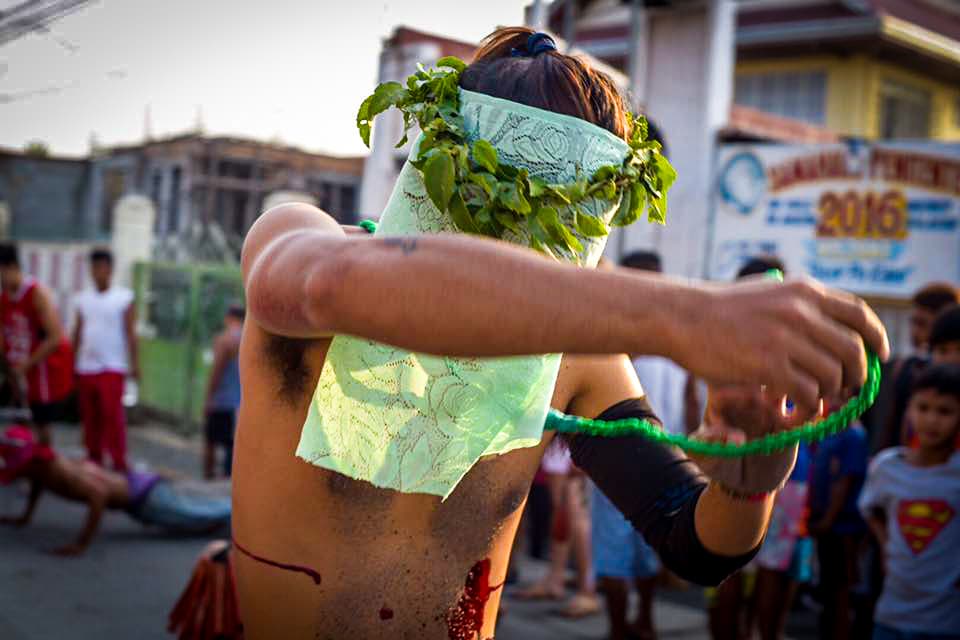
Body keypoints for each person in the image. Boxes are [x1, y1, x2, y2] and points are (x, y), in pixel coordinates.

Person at [231, 27, 888, 639]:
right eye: (512, 197)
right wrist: (685, 314)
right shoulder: (304, 247)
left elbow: (692, 539)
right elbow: (325, 286)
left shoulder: (576, 351)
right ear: (446, 159)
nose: (534, 237)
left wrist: (749, 483)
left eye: (564, 214)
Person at [590, 249, 690, 640]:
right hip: (646, 460)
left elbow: (692, 400)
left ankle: (632, 626)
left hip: (632, 461)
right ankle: (634, 625)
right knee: (637, 550)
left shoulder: (618, 336)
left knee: (629, 552)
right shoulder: (671, 335)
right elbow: (693, 402)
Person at [0, 424, 230, 556]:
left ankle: (248, 516)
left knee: (205, 509)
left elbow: (98, 495)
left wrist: (81, 543)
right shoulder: (46, 466)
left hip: (144, 498)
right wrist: (24, 517)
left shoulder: (57, 473)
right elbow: (37, 488)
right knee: (201, 507)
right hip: (139, 491)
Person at [859, 364, 960, 640]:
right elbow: (869, 509)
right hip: (890, 616)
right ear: (909, 410)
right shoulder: (887, 467)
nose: (931, 420)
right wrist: (885, 543)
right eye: (923, 408)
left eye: (944, 411)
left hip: (945, 623)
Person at [0, 243, 74, 445]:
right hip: (19, 369)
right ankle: (27, 462)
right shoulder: (4, 298)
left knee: (41, 423)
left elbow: (55, 337)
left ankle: (45, 463)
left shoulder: (36, 294)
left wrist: (26, 365)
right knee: (20, 422)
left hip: (44, 370)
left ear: (12, 267)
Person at [809, 393, 869, 640]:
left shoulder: (853, 435)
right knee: (830, 586)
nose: (835, 404)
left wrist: (828, 520)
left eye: (843, 399)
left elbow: (843, 483)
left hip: (843, 526)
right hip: (828, 522)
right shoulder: (831, 430)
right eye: (833, 397)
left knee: (842, 587)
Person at [72, 248, 137, 472]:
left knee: (112, 417)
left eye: (101, 267)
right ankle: (94, 459)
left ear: (110, 269)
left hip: (112, 366)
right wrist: (72, 362)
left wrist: (135, 364)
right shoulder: (83, 299)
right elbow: (77, 332)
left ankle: (119, 462)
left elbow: (130, 333)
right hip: (86, 367)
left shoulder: (123, 298)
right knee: (91, 418)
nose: (98, 272)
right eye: (94, 267)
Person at [872, 284, 958, 453]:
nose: (914, 331)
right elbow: (894, 425)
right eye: (943, 350)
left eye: (922, 323)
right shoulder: (908, 369)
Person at [203, 305, 243, 479]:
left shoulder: (224, 340)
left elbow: (216, 372)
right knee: (232, 447)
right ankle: (228, 485)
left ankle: (208, 481)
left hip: (221, 401)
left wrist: (208, 399)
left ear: (228, 317)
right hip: (240, 403)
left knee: (210, 442)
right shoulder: (250, 340)